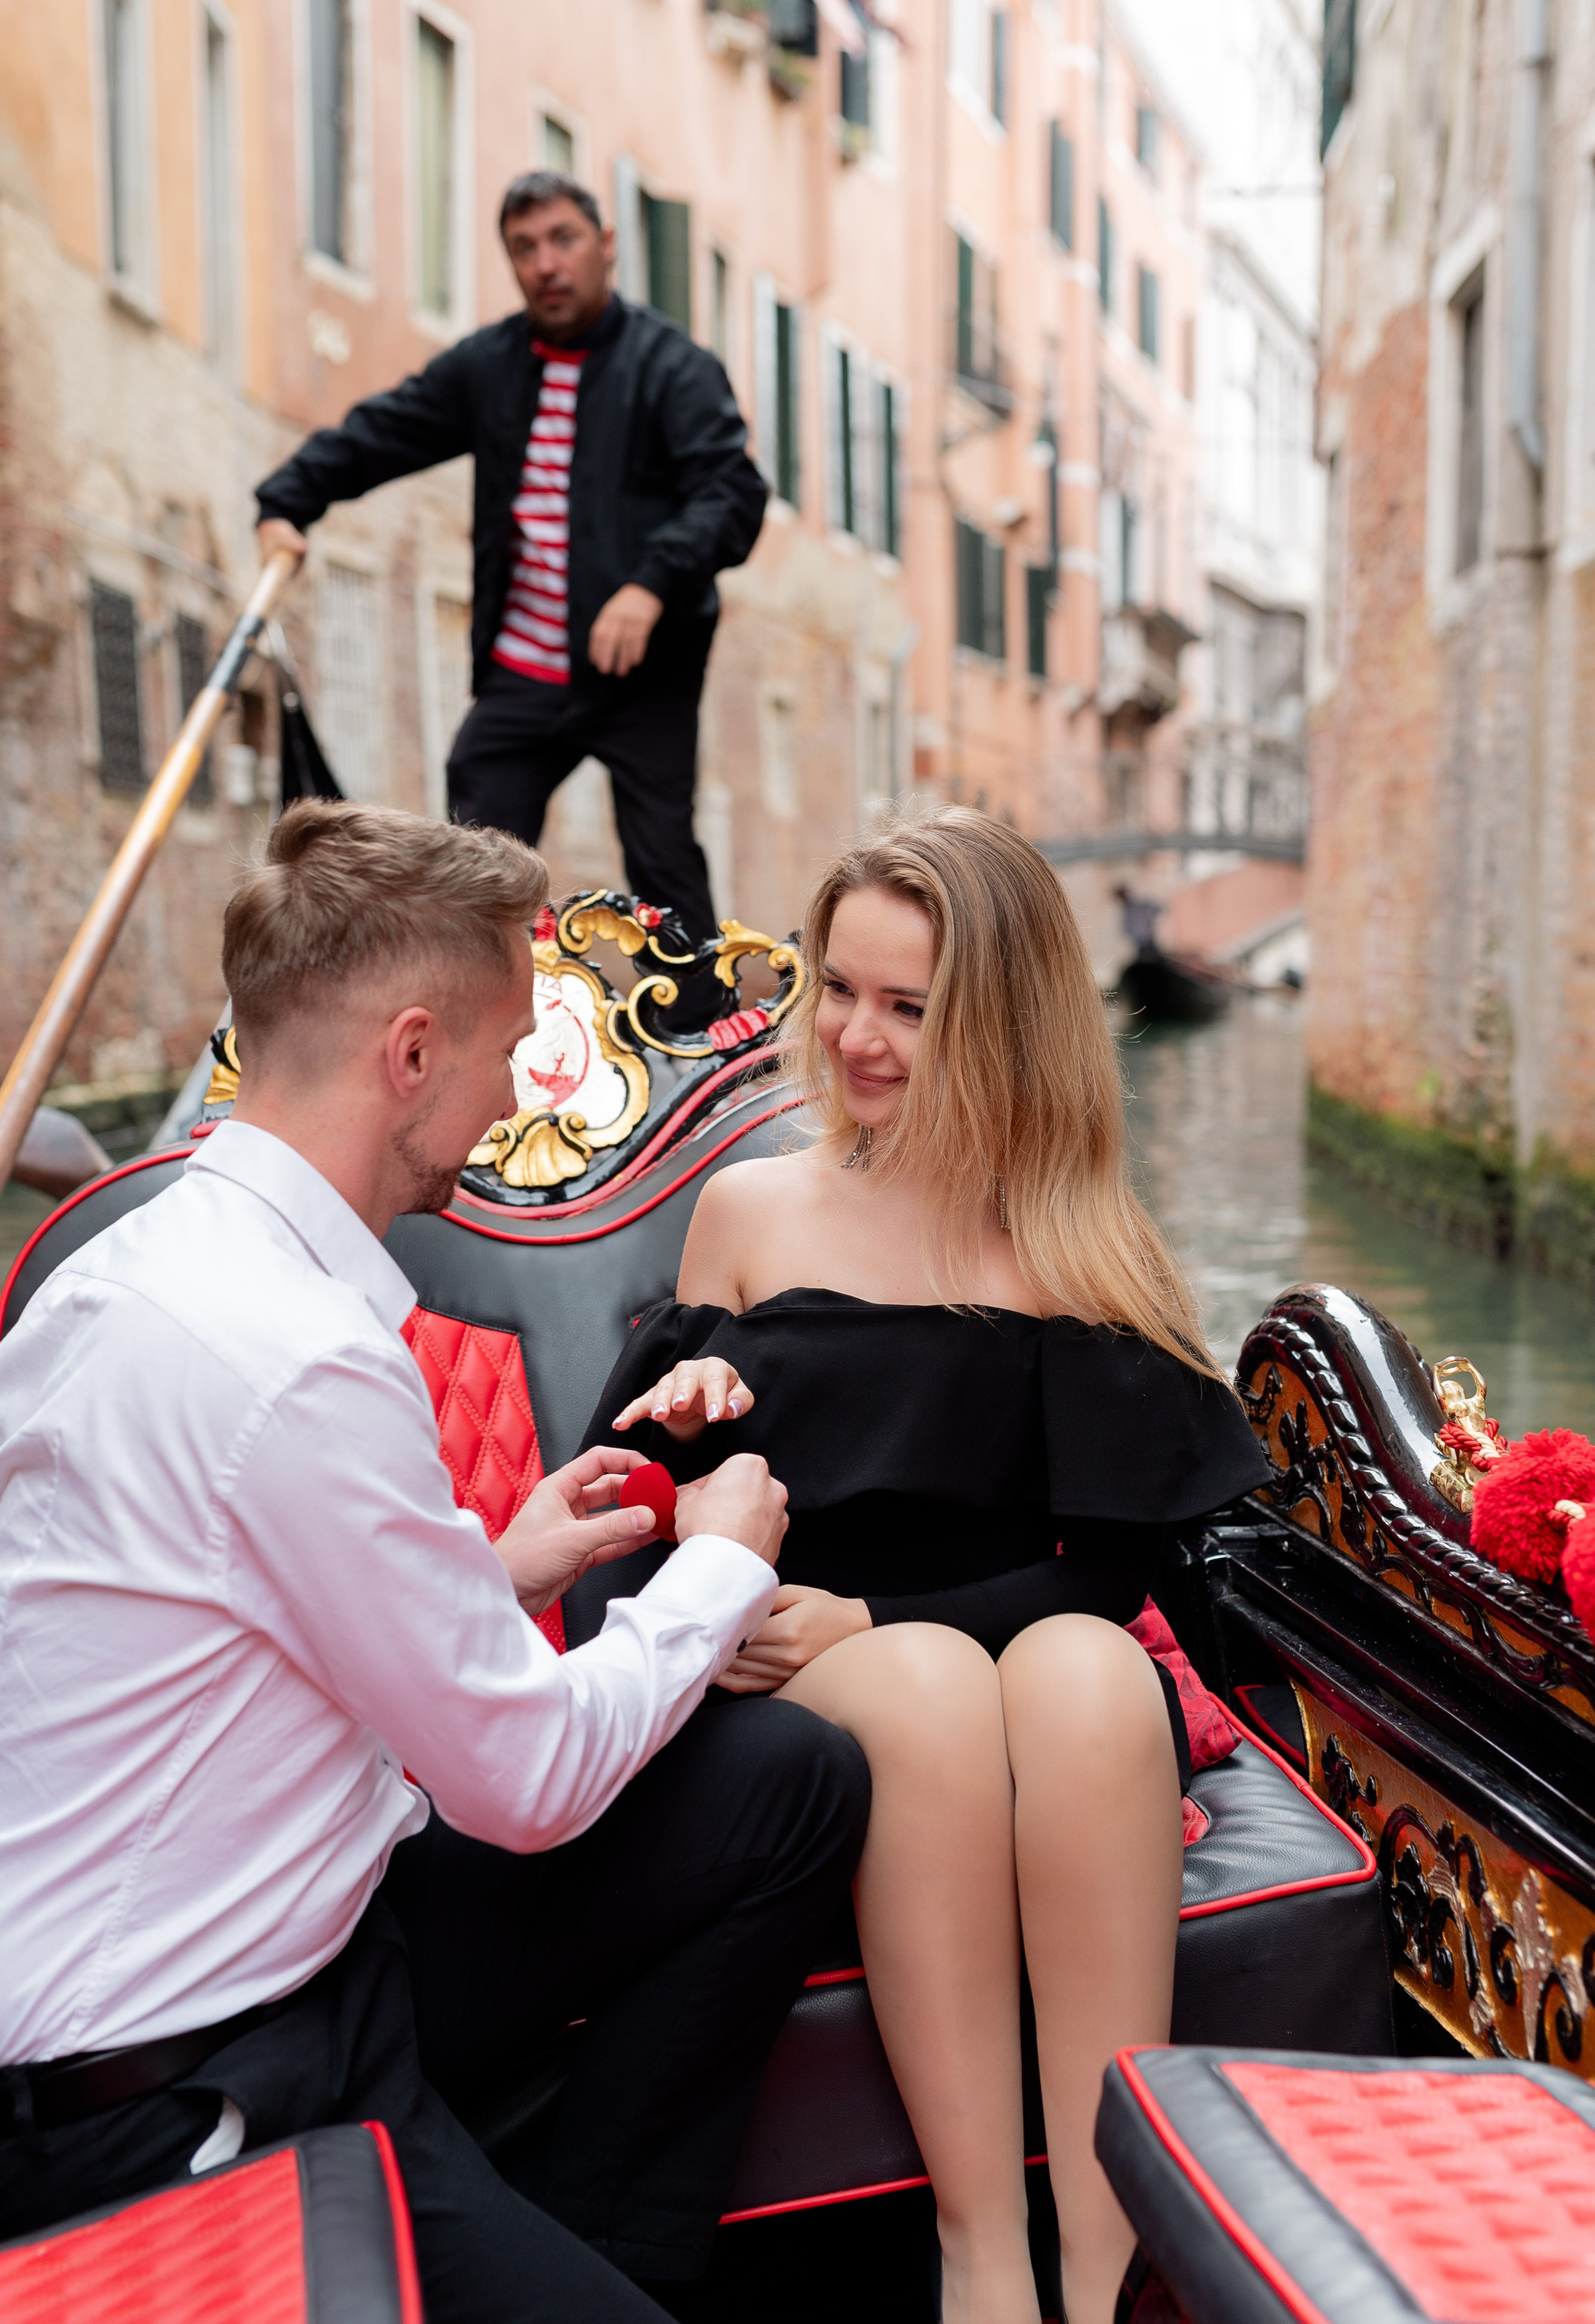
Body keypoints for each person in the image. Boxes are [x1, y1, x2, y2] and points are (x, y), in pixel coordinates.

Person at [0, 803, 869, 2323]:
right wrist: (717, 1566)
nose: (508, 1088)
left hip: (320, 1951)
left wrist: (498, 1558)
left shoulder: (137, 1277)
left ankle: (593, 2243)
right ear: (411, 1053)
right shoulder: (297, 1355)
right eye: (507, 1045)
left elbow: (217, 1611)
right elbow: (522, 1780)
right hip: (169, 2094)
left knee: (786, 1781)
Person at [592, 810, 1272, 2324]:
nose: (854, 1037)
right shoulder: (750, 1213)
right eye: (838, 989)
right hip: (804, 1659)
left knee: (1092, 1673)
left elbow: (1102, 1569)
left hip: (995, 1629)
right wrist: (690, 1422)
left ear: (1001, 1021)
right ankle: (981, 2259)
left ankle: (1106, 2268)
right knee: (922, 1685)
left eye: (908, 1006)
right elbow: (643, 1506)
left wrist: (883, 1609)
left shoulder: (1077, 1243)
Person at [254, 172, 766, 968]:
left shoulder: (673, 366)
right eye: (524, 249)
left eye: (563, 240)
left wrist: (649, 584)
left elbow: (732, 494)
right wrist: (285, 500)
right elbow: (382, 432)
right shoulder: (486, 367)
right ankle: (478, 1028)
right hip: (523, 670)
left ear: (605, 247)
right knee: (474, 860)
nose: (545, 264)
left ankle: (699, 1047)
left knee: (662, 859)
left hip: (642, 673)